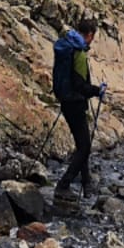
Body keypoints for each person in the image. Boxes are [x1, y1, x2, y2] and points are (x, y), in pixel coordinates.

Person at [52, 18, 106, 197]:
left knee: (81, 143)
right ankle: (64, 185)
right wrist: (97, 90)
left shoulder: (67, 45)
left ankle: (86, 182)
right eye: (93, 37)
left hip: (65, 99)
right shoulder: (79, 53)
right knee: (85, 147)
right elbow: (80, 85)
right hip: (75, 102)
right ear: (89, 34)